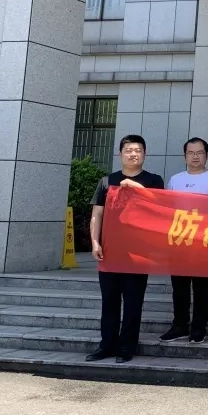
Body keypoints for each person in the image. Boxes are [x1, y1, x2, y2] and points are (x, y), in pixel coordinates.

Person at [86, 135, 164, 363]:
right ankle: (106, 345)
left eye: (138, 150)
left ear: (144, 154)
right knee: (109, 301)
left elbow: (157, 205)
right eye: (128, 150)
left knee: (133, 302)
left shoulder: (153, 180)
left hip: (138, 252)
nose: (133, 154)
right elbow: (97, 214)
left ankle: (126, 347)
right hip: (110, 251)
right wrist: (95, 242)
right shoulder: (107, 181)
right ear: (120, 154)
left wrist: (132, 185)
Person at [160, 138, 208, 345]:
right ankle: (179, 325)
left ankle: (199, 327)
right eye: (191, 152)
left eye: (199, 152)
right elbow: (168, 210)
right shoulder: (175, 179)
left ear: (207, 155)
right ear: (185, 155)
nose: (195, 156)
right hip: (179, 240)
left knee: (201, 286)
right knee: (179, 286)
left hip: (203, 240)